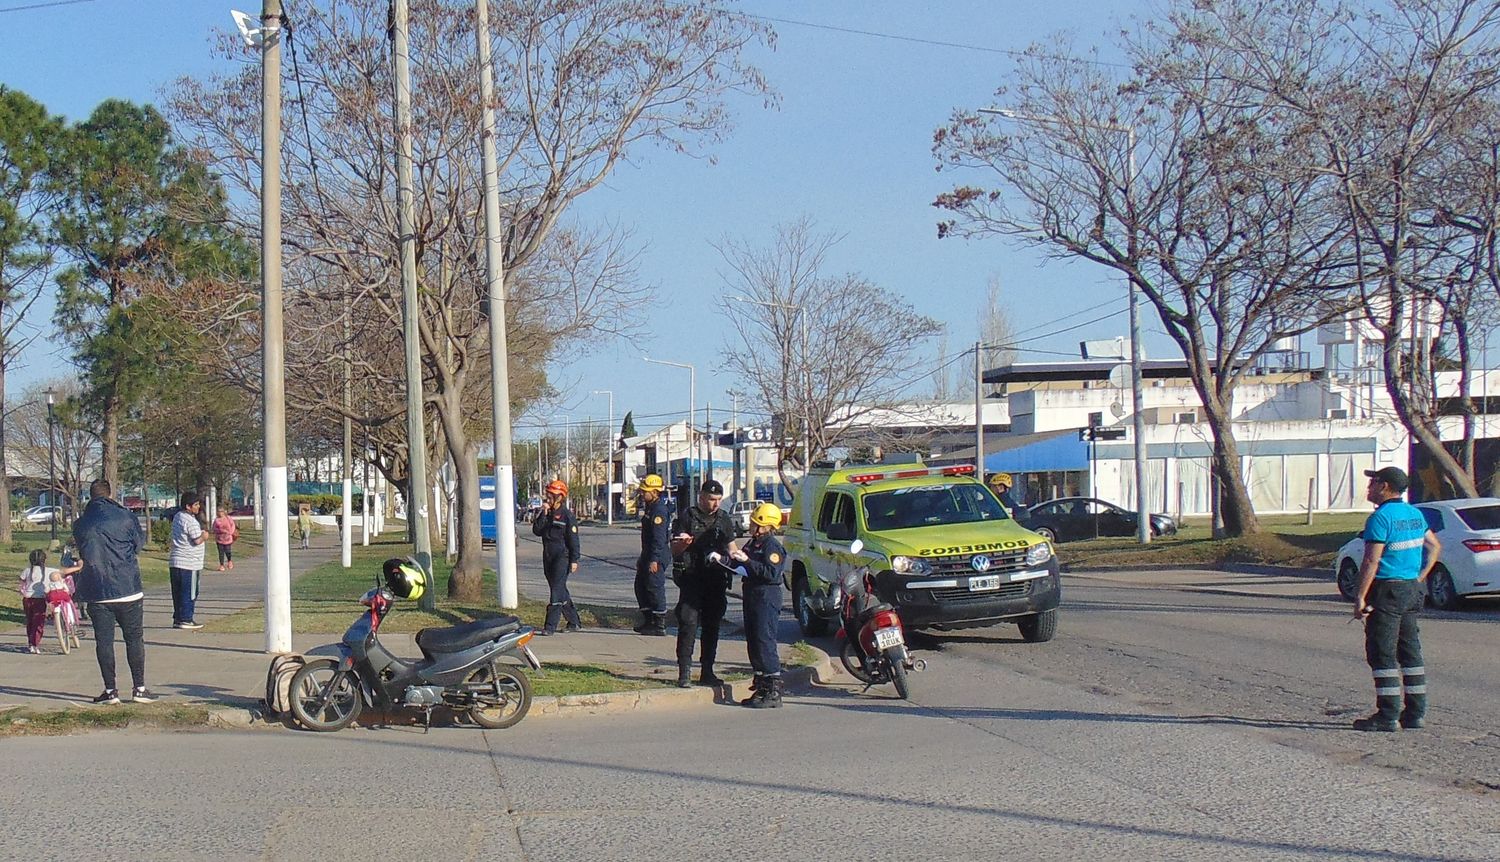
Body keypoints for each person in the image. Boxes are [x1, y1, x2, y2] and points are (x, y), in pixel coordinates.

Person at [1350, 466, 1440, 732]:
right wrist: (1420, 576)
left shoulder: (1380, 519)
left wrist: (1360, 596)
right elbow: (1434, 546)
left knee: (1382, 653)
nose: (1369, 488)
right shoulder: (1415, 514)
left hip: (1387, 590)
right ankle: (1415, 713)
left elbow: (1371, 559)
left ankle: (1387, 715)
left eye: (1373, 482)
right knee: (1410, 652)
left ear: (1386, 486)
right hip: (1411, 590)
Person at [73, 478, 154, 704]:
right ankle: (139, 688)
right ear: (110, 494)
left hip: (97, 590)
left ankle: (110, 691)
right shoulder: (126, 516)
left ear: (91, 496)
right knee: (134, 639)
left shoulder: (81, 524)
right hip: (127, 586)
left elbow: (83, 550)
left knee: (104, 642)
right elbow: (139, 544)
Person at [670, 479, 735, 688]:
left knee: (712, 626)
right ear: (701, 497)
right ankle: (684, 671)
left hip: (715, 579)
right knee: (688, 623)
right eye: (711, 499)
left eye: (718, 500)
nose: (715, 504)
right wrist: (683, 543)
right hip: (691, 578)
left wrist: (738, 557)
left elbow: (731, 546)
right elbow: (674, 550)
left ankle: (707, 670)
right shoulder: (687, 517)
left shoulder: (724, 519)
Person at [727, 502, 790, 708]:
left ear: (764, 526)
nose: (751, 526)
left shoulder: (772, 546)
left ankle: (773, 690)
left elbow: (771, 573)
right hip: (752, 593)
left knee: (764, 640)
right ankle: (761, 684)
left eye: (755, 523)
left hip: (766, 595)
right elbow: (741, 563)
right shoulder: (753, 543)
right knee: (753, 640)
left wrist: (748, 562)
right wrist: (726, 559)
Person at [531, 479, 582, 635]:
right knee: (559, 590)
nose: (548, 498)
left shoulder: (567, 516)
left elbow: (573, 540)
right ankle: (574, 621)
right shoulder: (547, 512)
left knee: (556, 590)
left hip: (562, 556)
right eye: (548, 495)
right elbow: (537, 531)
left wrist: (574, 559)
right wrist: (543, 514)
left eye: (551, 496)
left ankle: (550, 626)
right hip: (548, 555)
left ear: (560, 497)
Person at [633, 474, 671, 636]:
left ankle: (659, 623)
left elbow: (659, 538)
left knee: (654, 587)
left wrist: (654, 559)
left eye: (645, 491)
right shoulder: (650, 507)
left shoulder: (659, 510)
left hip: (657, 554)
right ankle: (648, 620)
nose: (642, 494)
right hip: (647, 554)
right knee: (640, 586)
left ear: (655, 492)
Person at [168, 491, 209, 630]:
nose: (198, 508)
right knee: (190, 592)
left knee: (178, 592)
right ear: (188, 506)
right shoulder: (190, 521)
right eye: (196, 505)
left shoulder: (177, 517)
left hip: (176, 561)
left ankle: (178, 618)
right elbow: (197, 540)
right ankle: (186, 618)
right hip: (189, 563)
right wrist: (204, 536)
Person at [17, 549, 54, 655]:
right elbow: (61, 573)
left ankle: (31, 643)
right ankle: (35, 643)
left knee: (30, 621)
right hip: (40, 599)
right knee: (39, 622)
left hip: (27, 598)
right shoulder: (49, 571)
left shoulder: (27, 570)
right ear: (44, 560)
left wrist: (23, 590)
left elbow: (21, 581)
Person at [212, 506, 239, 572]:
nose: (220, 513)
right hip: (219, 538)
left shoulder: (228, 518)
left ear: (224, 512)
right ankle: (221, 565)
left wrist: (230, 532)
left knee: (228, 551)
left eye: (221, 511)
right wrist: (220, 531)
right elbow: (214, 528)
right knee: (220, 552)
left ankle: (229, 561)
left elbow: (233, 525)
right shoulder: (216, 520)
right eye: (219, 511)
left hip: (228, 538)